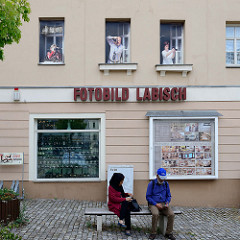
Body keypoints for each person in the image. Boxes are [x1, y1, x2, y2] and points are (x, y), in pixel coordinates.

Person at [146, 168, 176, 240]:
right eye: (161, 178)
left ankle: (168, 233)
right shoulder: (151, 184)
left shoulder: (166, 184)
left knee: (171, 214)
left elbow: (169, 195)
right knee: (155, 214)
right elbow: (148, 197)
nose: (162, 180)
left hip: (163, 203)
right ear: (157, 176)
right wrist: (156, 204)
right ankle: (153, 233)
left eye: (163, 178)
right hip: (153, 204)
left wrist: (167, 202)